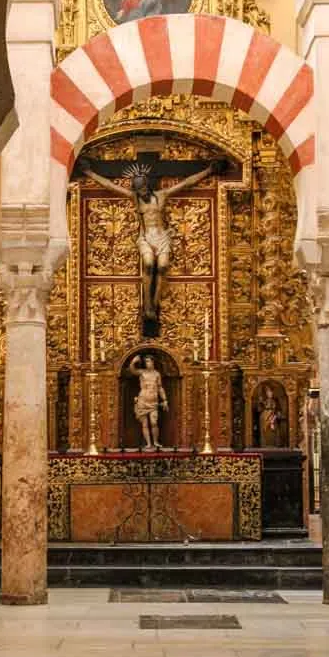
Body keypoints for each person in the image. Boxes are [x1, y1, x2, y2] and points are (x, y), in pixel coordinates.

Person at [79, 158, 225, 324]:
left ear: (147, 185)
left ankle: (154, 304)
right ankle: (147, 303)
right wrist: (89, 173)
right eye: (139, 190)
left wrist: (208, 171)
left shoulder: (161, 196)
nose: (143, 192)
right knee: (148, 264)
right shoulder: (135, 198)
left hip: (162, 237)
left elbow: (185, 184)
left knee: (162, 267)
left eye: (144, 188)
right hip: (146, 237)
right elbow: (110, 186)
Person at [129, 354, 168, 450]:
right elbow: (132, 370)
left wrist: (165, 400)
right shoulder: (142, 372)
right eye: (146, 361)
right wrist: (133, 362)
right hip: (143, 400)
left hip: (153, 401)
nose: (147, 363)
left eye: (149, 361)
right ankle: (148, 443)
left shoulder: (157, 374)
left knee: (154, 422)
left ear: (153, 362)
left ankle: (155, 442)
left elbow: (160, 387)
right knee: (145, 424)